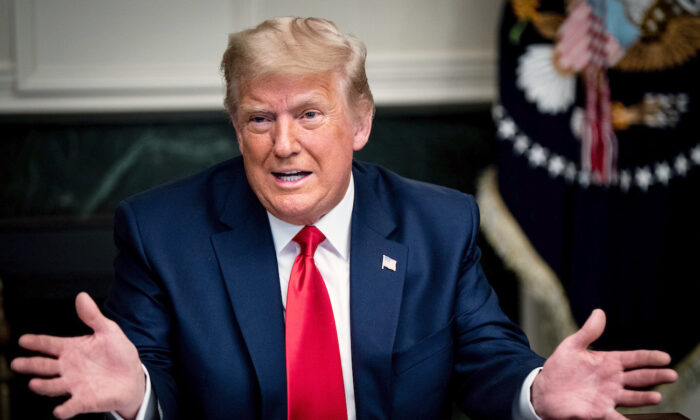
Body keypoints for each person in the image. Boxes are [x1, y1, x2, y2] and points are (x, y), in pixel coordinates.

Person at [11, 17, 677, 420]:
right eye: (259, 119)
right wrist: (138, 395)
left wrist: (535, 387)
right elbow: (155, 380)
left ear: (358, 123)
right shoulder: (163, 233)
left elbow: (484, 360)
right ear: (236, 127)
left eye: (308, 113)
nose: (283, 144)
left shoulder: (437, 226)